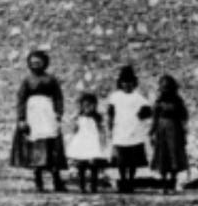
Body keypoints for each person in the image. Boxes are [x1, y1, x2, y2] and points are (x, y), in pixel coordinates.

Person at [9, 49, 67, 192]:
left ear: (44, 63)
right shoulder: (27, 80)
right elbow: (21, 99)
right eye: (33, 63)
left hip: (47, 113)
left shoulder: (51, 79)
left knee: (52, 144)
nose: (36, 65)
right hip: (33, 114)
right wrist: (21, 118)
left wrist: (59, 112)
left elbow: (58, 97)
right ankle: (38, 181)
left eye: (38, 63)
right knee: (35, 146)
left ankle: (57, 180)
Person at [104, 65, 152, 193]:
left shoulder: (138, 97)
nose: (127, 85)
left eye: (130, 82)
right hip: (120, 129)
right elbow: (110, 113)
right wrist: (110, 127)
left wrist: (141, 115)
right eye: (124, 82)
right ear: (120, 83)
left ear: (134, 83)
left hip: (134, 130)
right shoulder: (115, 97)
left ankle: (130, 181)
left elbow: (147, 111)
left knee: (132, 160)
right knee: (121, 159)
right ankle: (122, 180)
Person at [149, 74, 189, 193]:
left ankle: (173, 183)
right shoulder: (158, 103)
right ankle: (165, 185)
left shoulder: (178, 102)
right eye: (163, 89)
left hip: (175, 131)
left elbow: (184, 116)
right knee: (163, 156)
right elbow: (154, 119)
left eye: (167, 88)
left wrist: (184, 131)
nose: (165, 91)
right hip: (161, 132)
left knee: (174, 156)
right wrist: (151, 133)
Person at [66, 92, 110, 193]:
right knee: (82, 166)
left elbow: (101, 131)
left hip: (93, 144)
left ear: (95, 106)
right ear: (81, 106)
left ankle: (93, 186)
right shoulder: (79, 118)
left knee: (94, 166)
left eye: (91, 105)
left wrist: (103, 143)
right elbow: (74, 130)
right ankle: (82, 186)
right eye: (85, 105)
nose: (88, 108)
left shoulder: (97, 118)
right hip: (82, 143)